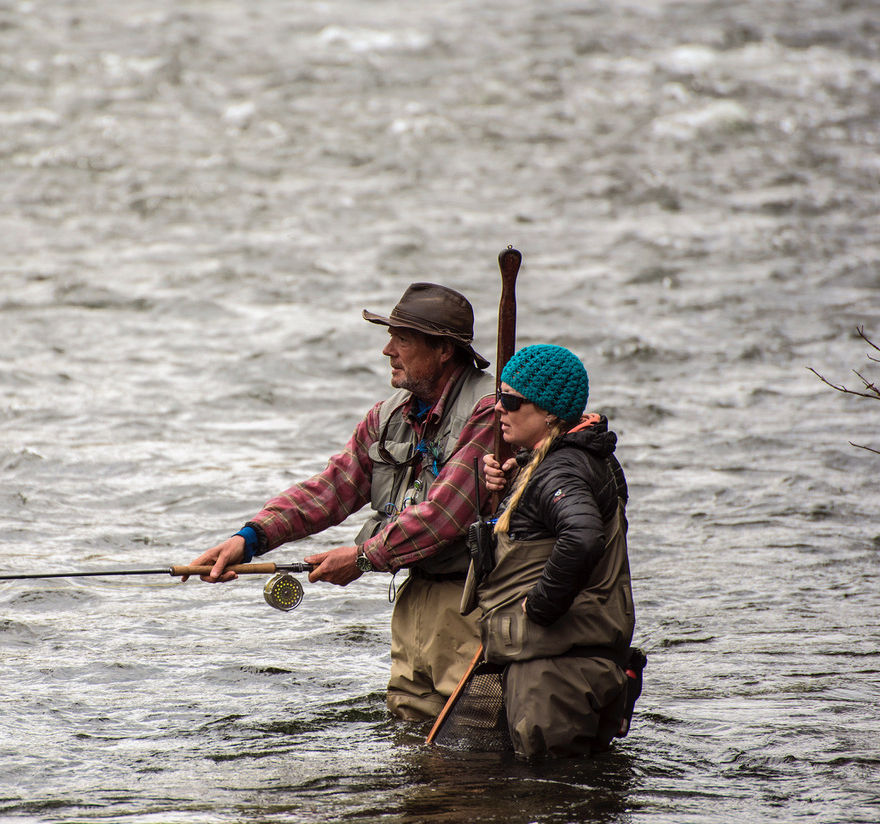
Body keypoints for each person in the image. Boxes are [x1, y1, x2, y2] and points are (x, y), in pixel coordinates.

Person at [189, 282, 498, 720]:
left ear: (444, 349)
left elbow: (445, 516)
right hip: (414, 605)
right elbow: (332, 489)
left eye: (402, 339)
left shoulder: (489, 411)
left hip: (477, 602)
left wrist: (363, 558)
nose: (388, 350)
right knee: (411, 749)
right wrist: (251, 537)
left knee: (472, 752)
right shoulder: (388, 415)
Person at [472, 343, 637, 757]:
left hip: (553, 675)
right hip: (584, 664)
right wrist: (520, 480)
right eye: (498, 397)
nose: (498, 410)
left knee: (542, 798)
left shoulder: (559, 470)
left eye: (511, 401)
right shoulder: (586, 458)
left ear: (549, 413)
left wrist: (540, 607)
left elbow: (582, 537)